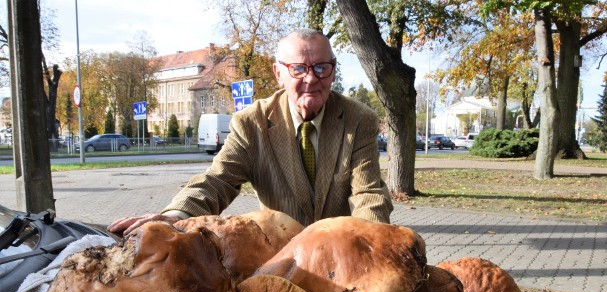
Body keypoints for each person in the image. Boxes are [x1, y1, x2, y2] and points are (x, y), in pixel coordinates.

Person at [108, 29, 393, 236]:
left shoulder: (358, 120)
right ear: (278, 73)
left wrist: (372, 243)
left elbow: (369, 195)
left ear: (332, 71)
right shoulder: (251, 122)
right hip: (281, 256)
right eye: (298, 69)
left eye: (321, 67)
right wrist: (173, 217)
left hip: (341, 253)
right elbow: (217, 181)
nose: (311, 78)